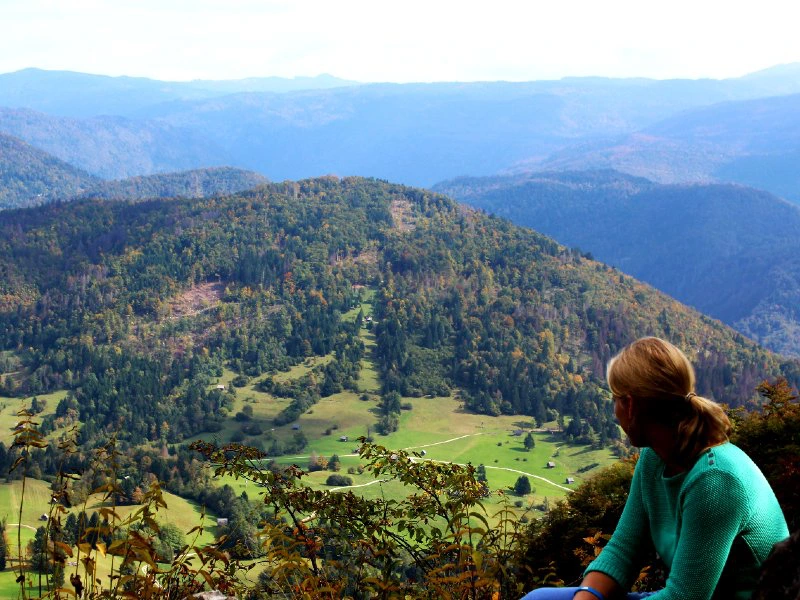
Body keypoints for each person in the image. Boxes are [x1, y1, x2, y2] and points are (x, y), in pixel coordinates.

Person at [521, 337, 789, 600]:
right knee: (539, 598)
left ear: (631, 405)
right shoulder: (654, 457)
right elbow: (625, 548)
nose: (614, 411)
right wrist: (587, 596)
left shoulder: (715, 479)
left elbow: (685, 596)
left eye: (615, 399)